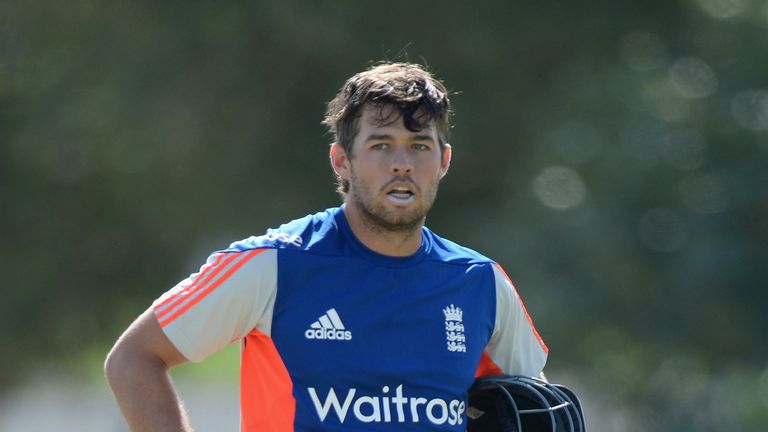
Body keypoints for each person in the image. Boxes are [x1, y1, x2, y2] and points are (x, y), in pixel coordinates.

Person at [105, 62, 549, 432]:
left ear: (444, 161)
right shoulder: (273, 264)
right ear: (342, 160)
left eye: (419, 146)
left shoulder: (481, 283)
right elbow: (134, 359)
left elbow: (533, 400)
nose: (402, 163)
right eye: (381, 145)